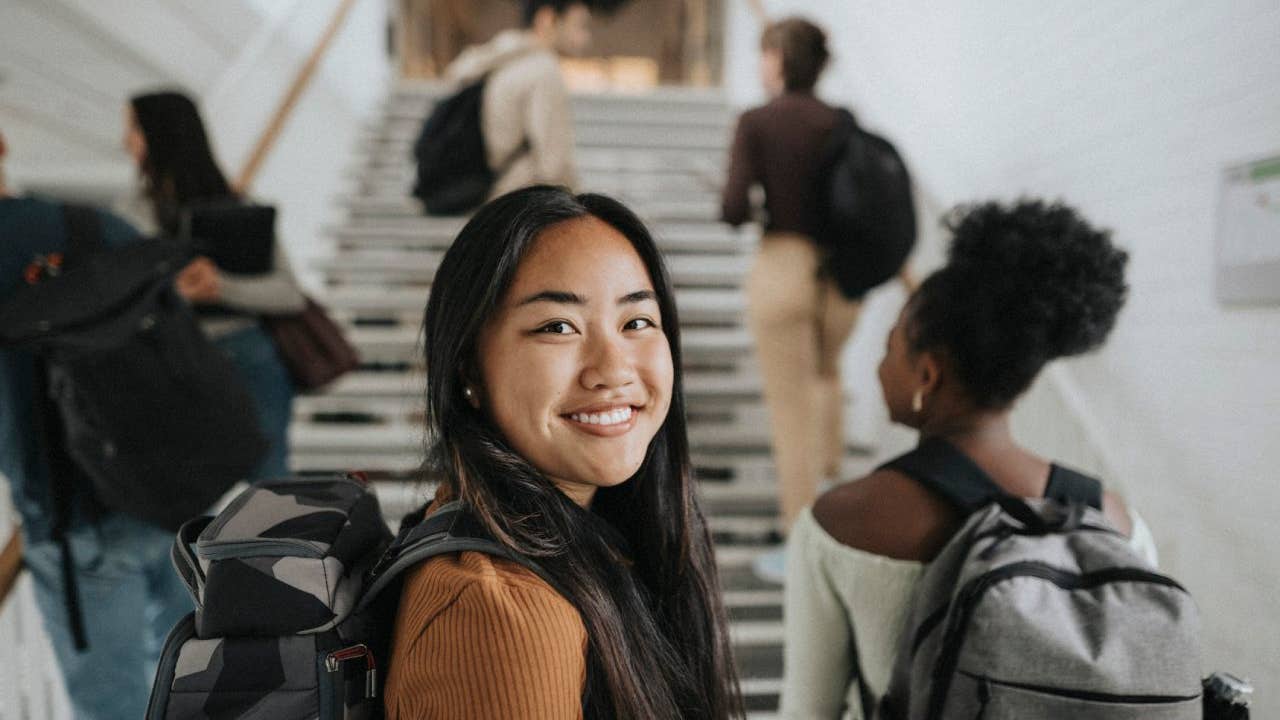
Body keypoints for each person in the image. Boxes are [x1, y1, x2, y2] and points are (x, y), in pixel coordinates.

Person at [779, 199, 1160, 719]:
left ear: (926, 375)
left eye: (891, 346)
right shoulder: (1115, 520)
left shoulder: (839, 521)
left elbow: (808, 711)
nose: (880, 363)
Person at [383, 186, 743, 719]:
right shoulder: (500, 611)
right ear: (469, 372)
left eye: (636, 322)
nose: (613, 369)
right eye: (558, 327)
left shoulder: (600, 539)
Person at [0, 129, 193, 720]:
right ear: (3, 144)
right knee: (191, 677)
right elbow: (185, 358)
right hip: (166, 501)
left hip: (70, 523)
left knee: (112, 706)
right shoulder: (99, 228)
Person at [720, 17, 859, 583]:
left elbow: (732, 206)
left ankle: (803, 545)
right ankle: (834, 507)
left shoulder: (757, 121)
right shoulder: (841, 122)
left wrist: (747, 205)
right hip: (839, 278)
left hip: (783, 266)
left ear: (778, 57)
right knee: (826, 380)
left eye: (763, 53)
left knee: (790, 407)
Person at [121, 90, 304, 479]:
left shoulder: (241, 207)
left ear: (162, 133)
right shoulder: (130, 213)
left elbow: (289, 294)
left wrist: (220, 286)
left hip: (241, 355)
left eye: (134, 128)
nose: (125, 141)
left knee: (267, 492)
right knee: (191, 492)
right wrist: (177, 294)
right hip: (178, 358)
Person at [442, 0, 591, 199]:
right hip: (515, 199)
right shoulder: (544, 69)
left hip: (488, 193)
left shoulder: (503, 61)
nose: (586, 37)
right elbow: (554, 164)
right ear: (547, 19)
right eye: (580, 25)